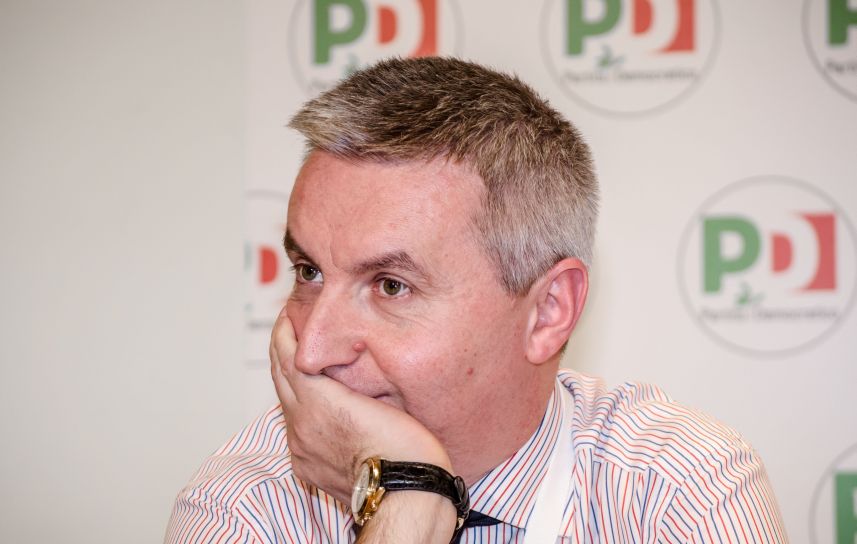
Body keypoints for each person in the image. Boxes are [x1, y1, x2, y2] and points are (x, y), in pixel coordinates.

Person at [165, 57, 787, 543]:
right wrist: (410, 499)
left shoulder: (676, 490)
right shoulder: (246, 504)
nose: (312, 351)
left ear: (548, 312)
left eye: (391, 286)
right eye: (309, 272)